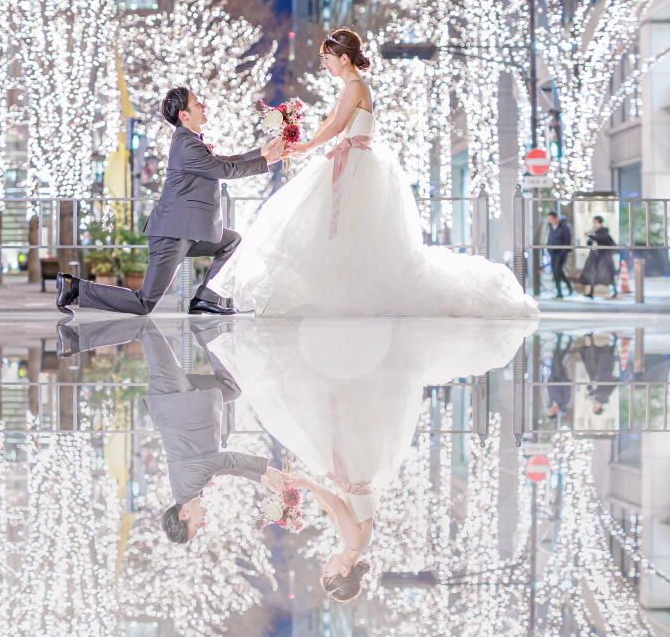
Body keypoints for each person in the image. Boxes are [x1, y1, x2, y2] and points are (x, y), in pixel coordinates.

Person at [210, 28, 539, 320]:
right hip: (347, 158)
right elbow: (330, 122)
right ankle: (340, 289)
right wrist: (303, 144)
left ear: (343, 58)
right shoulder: (348, 87)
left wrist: (309, 145)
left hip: (356, 162)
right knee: (337, 227)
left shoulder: (356, 86)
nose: (324, 64)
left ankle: (348, 291)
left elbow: (338, 126)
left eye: (327, 58)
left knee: (349, 227)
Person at [209, 315, 536, 602]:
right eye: (328, 572)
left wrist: (299, 494)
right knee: (336, 407)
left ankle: (337, 350)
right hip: (352, 468)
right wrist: (308, 485)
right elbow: (337, 506)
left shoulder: (351, 543)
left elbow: (333, 507)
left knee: (333, 408)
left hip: (348, 472)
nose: (325, 565)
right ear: (344, 571)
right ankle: (341, 349)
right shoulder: (355, 542)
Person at [55, 314, 287, 543]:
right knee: (231, 388)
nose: (203, 523)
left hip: (172, 394)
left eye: (197, 526)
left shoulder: (187, 484)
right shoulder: (191, 489)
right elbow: (224, 468)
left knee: (145, 327)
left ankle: (76, 341)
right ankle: (203, 326)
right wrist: (260, 477)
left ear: (184, 514)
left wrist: (266, 470)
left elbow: (225, 462)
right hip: (187, 400)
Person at [56, 86, 285, 318]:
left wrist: (261, 153)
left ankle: (205, 299)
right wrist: (264, 161)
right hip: (172, 234)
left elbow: (222, 161)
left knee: (231, 241)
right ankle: (75, 287)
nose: (203, 106)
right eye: (197, 104)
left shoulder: (191, 142)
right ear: (184, 115)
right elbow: (224, 169)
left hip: (187, 231)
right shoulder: (186, 144)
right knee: (143, 303)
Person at [580, 215, 618, 300]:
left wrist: (591, 235)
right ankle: (591, 292)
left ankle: (615, 290)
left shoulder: (604, 231)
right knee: (593, 273)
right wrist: (591, 235)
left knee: (607, 274)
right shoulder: (594, 232)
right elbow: (589, 243)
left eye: (596, 222)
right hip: (595, 255)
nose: (595, 224)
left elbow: (601, 239)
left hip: (604, 256)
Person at [545, 212, 573, 299]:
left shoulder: (564, 227)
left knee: (558, 270)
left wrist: (564, 251)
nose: (550, 221)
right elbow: (550, 239)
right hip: (553, 252)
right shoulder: (551, 227)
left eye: (551, 219)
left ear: (556, 218)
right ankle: (563, 289)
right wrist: (549, 249)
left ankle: (562, 290)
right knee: (556, 271)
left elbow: (567, 239)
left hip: (561, 252)